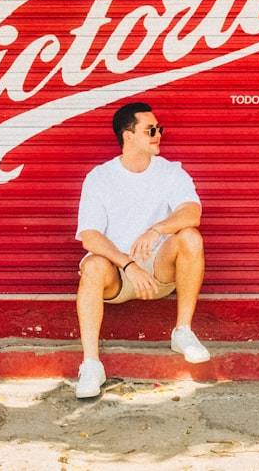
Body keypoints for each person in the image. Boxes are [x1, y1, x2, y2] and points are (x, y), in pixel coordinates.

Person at [73, 101, 209, 398]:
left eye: (158, 128)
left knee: (190, 237)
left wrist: (156, 229)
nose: (158, 134)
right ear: (128, 135)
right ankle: (91, 365)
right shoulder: (100, 177)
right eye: (151, 129)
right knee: (93, 264)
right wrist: (127, 264)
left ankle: (182, 331)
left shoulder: (171, 172)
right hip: (119, 276)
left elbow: (191, 213)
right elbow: (90, 236)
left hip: (158, 272)